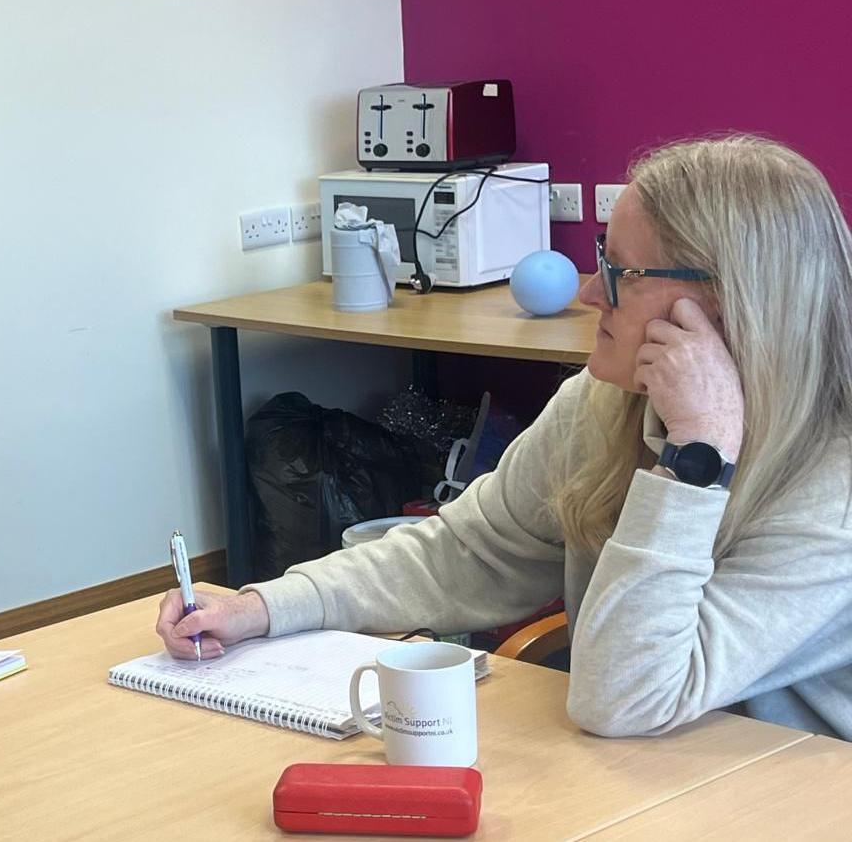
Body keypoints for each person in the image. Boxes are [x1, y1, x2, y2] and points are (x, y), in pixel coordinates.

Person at [157, 135, 852, 741]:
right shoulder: (604, 404)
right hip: (652, 768)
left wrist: (693, 464)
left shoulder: (834, 485)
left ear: (729, 303)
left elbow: (629, 695)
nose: (588, 292)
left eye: (620, 272)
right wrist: (263, 606)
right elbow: (466, 551)